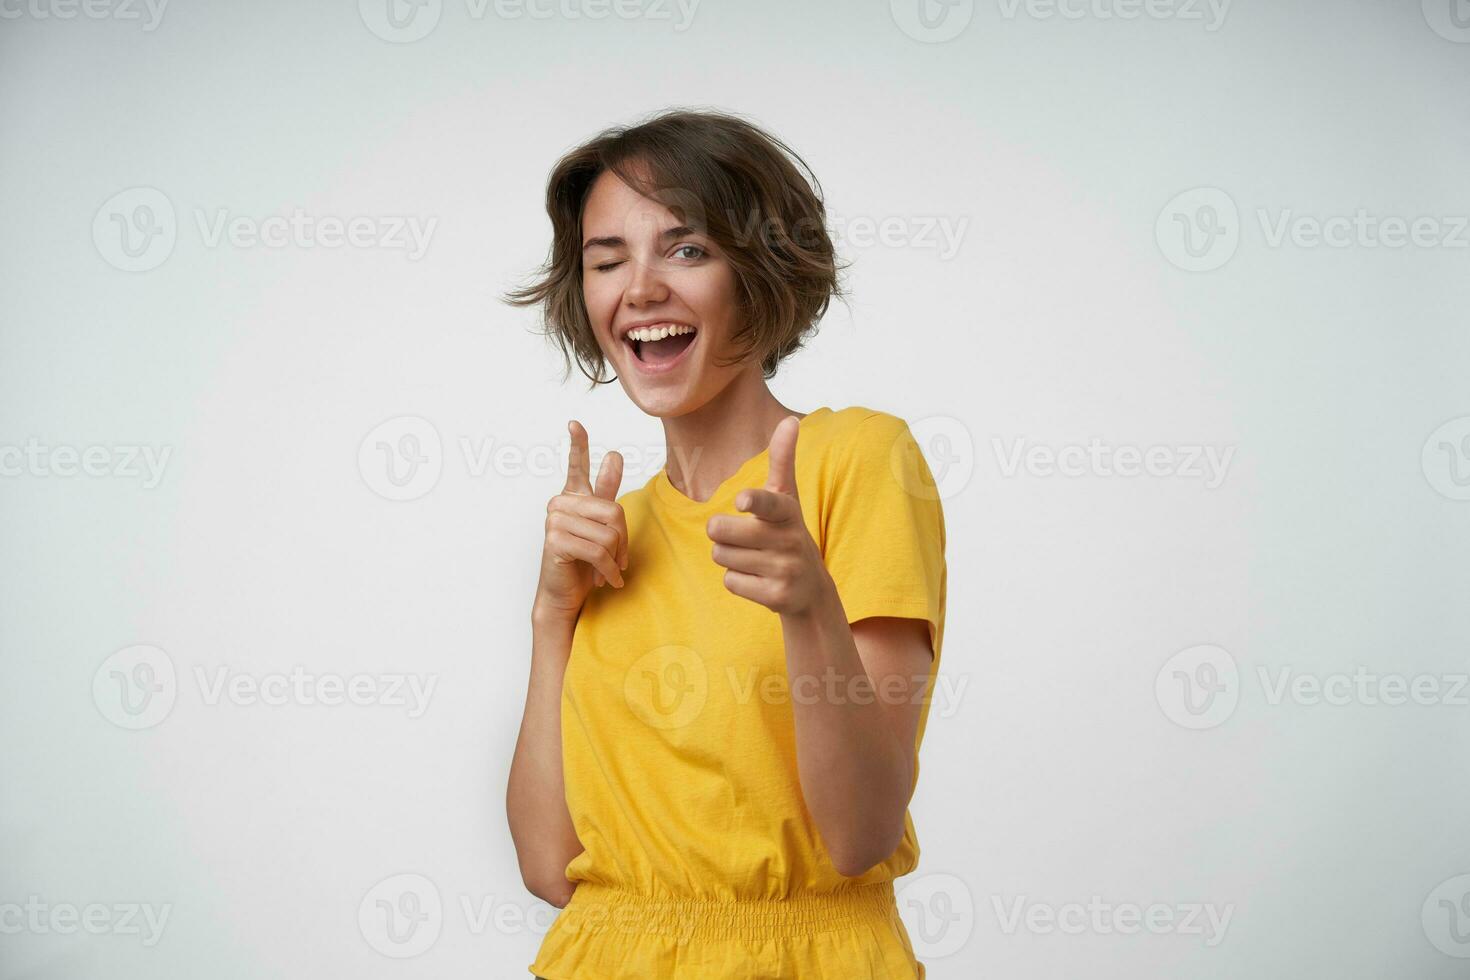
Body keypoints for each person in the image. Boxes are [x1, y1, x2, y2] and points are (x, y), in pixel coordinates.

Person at [504, 107, 948, 979]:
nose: (639, 288)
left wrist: (809, 604)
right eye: (606, 261)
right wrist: (552, 614)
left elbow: (860, 836)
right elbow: (550, 870)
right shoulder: (612, 530)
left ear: (761, 274)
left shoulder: (856, 461)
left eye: (687, 249)